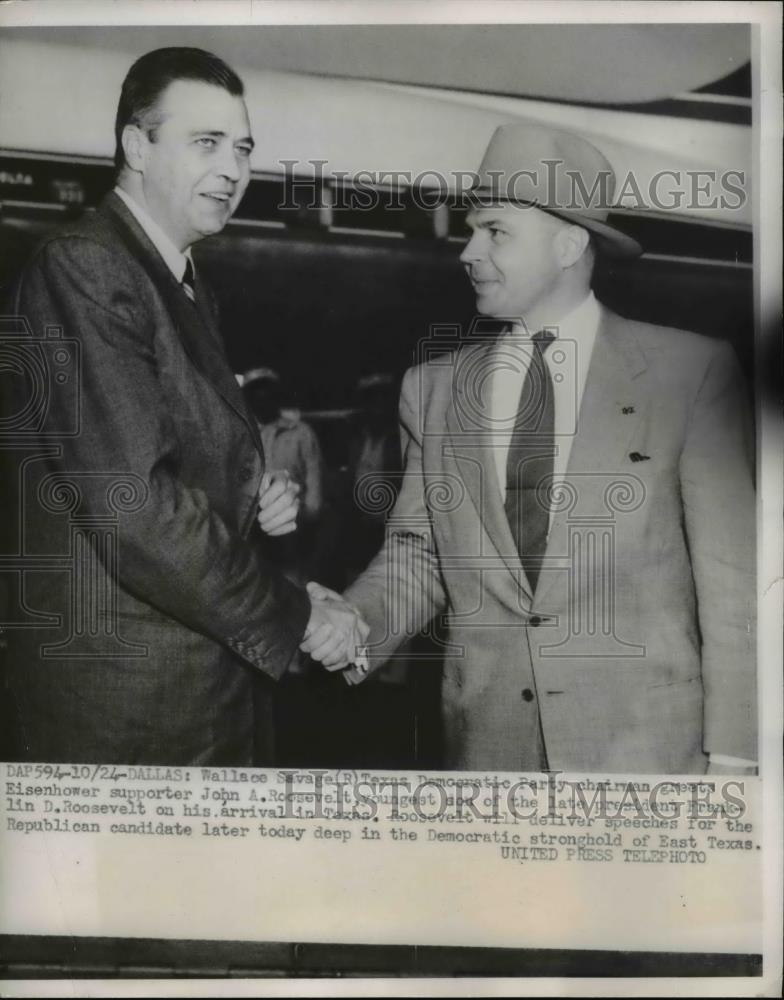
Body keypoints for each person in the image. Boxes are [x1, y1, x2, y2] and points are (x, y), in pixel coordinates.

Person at [312, 122, 757, 776]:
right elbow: (421, 557)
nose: (467, 251)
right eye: (470, 230)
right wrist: (354, 621)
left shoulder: (689, 375)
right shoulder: (433, 389)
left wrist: (738, 755)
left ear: (569, 244)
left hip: (653, 758)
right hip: (492, 756)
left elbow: (734, 587)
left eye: (495, 231)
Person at [2, 47, 365, 765]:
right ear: (137, 146)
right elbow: (135, 505)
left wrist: (252, 489)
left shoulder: (177, 277)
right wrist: (294, 613)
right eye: (207, 143)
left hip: (181, 693)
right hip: (133, 710)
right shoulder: (90, 265)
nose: (233, 170)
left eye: (243, 148)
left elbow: (162, 454)